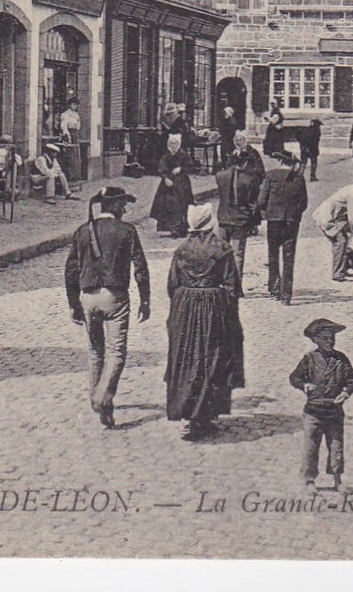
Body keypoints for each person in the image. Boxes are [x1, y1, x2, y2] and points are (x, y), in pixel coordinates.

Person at [64, 187, 151, 429]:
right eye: (123, 204)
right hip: (115, 297)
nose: (125, 209)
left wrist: (73, 304)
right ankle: (103, 397)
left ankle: (100, 402)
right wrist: (145, 300)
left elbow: (71, 270)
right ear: (113, 206)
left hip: (88, 297)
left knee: (95, 351)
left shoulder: (82, 231)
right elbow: (140, 267)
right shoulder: (126, 231)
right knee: (116, 353)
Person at [164, 204, 244, 440]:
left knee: (186, 359)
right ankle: (204, 415)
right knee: (211, 358)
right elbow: (231, 288)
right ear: (210, 223)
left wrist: (183, 304)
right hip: (213, 306)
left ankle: (190, 415)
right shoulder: (222, 249)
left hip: (185, 306)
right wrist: (228, 316)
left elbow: (172, 284)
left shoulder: (181, 250)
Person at [290, 318, 353, 492]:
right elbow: (295, 377)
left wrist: (345, 393)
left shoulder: (341, 359)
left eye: (332, 338)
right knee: (311, 447)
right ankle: (309, 480)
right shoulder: (310, 359)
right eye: (326, 339)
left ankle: (337, 479)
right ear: (316, 340)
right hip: (313, 411)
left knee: (336, 446)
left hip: (334, 411)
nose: (330, 342)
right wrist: (305, 385)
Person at [256, 149, 309, 304]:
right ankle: (286, 295)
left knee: (273, 254)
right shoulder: (299, 179)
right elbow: (304, 203)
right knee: (289, 257)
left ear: (281, 162)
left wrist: (267, 212)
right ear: (292, 164)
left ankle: (274, 288)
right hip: (291, 221)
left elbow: (261, 200)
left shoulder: (271, 175)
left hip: (274, 221)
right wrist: (294, 215)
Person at [215, 134, 265, 296]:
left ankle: (219, 284)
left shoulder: (220, 176)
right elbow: (252, 201)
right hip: (240, 220)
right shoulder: (249, 180)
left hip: (223, 218)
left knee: (221, 252)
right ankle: (234, 288)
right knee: (237, 254)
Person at [314, 175, 353, 283]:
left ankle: (344, 268)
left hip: (336, 217)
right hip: (327, 218)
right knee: (341, 241)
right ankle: (337, 274)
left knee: (347, 239)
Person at [149, 133, 195, 237]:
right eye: (171, 143)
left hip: (181, 183)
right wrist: (165, 178)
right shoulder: (166, 156)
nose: (173, 146)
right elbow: (161, 168)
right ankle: (165, 227)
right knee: (165, 204)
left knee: (181, 203)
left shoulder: (184, 155)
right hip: (168, 183)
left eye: (175, 143)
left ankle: (179, 228)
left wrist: (181, 169)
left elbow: (190, 166)